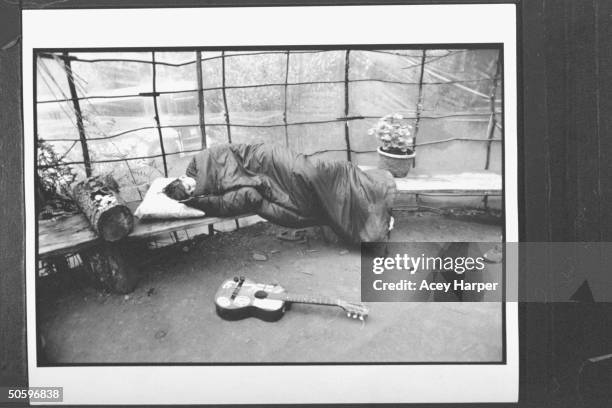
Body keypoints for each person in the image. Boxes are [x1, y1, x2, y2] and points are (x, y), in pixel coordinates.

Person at [163, 143, 396, 245]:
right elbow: (237, 196)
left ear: (183, 177)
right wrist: (198, 198)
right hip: (264, 178)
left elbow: (230, 154)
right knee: (310, 191)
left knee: (310, 171)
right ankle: (368, 208)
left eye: (190, 184)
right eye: (191, 191)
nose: (194, 186)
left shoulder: (198, 162)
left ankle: (373, 189)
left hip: (264, 157)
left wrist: (203, 188)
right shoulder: (205, 196)